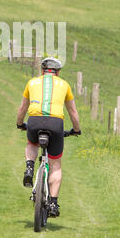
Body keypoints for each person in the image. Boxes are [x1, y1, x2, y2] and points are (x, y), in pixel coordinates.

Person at [16, 57, 81, 217]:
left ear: (42, 71)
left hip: (34, 120)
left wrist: (19, 123)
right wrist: (76, 129)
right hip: (55, 123)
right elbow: (72, 111)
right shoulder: (64, 85)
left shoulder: (32, 83)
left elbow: (23, 108)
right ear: (57, 72)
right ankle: (53, 203)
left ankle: (30, 167)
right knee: (55, 164)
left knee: (32, 143)